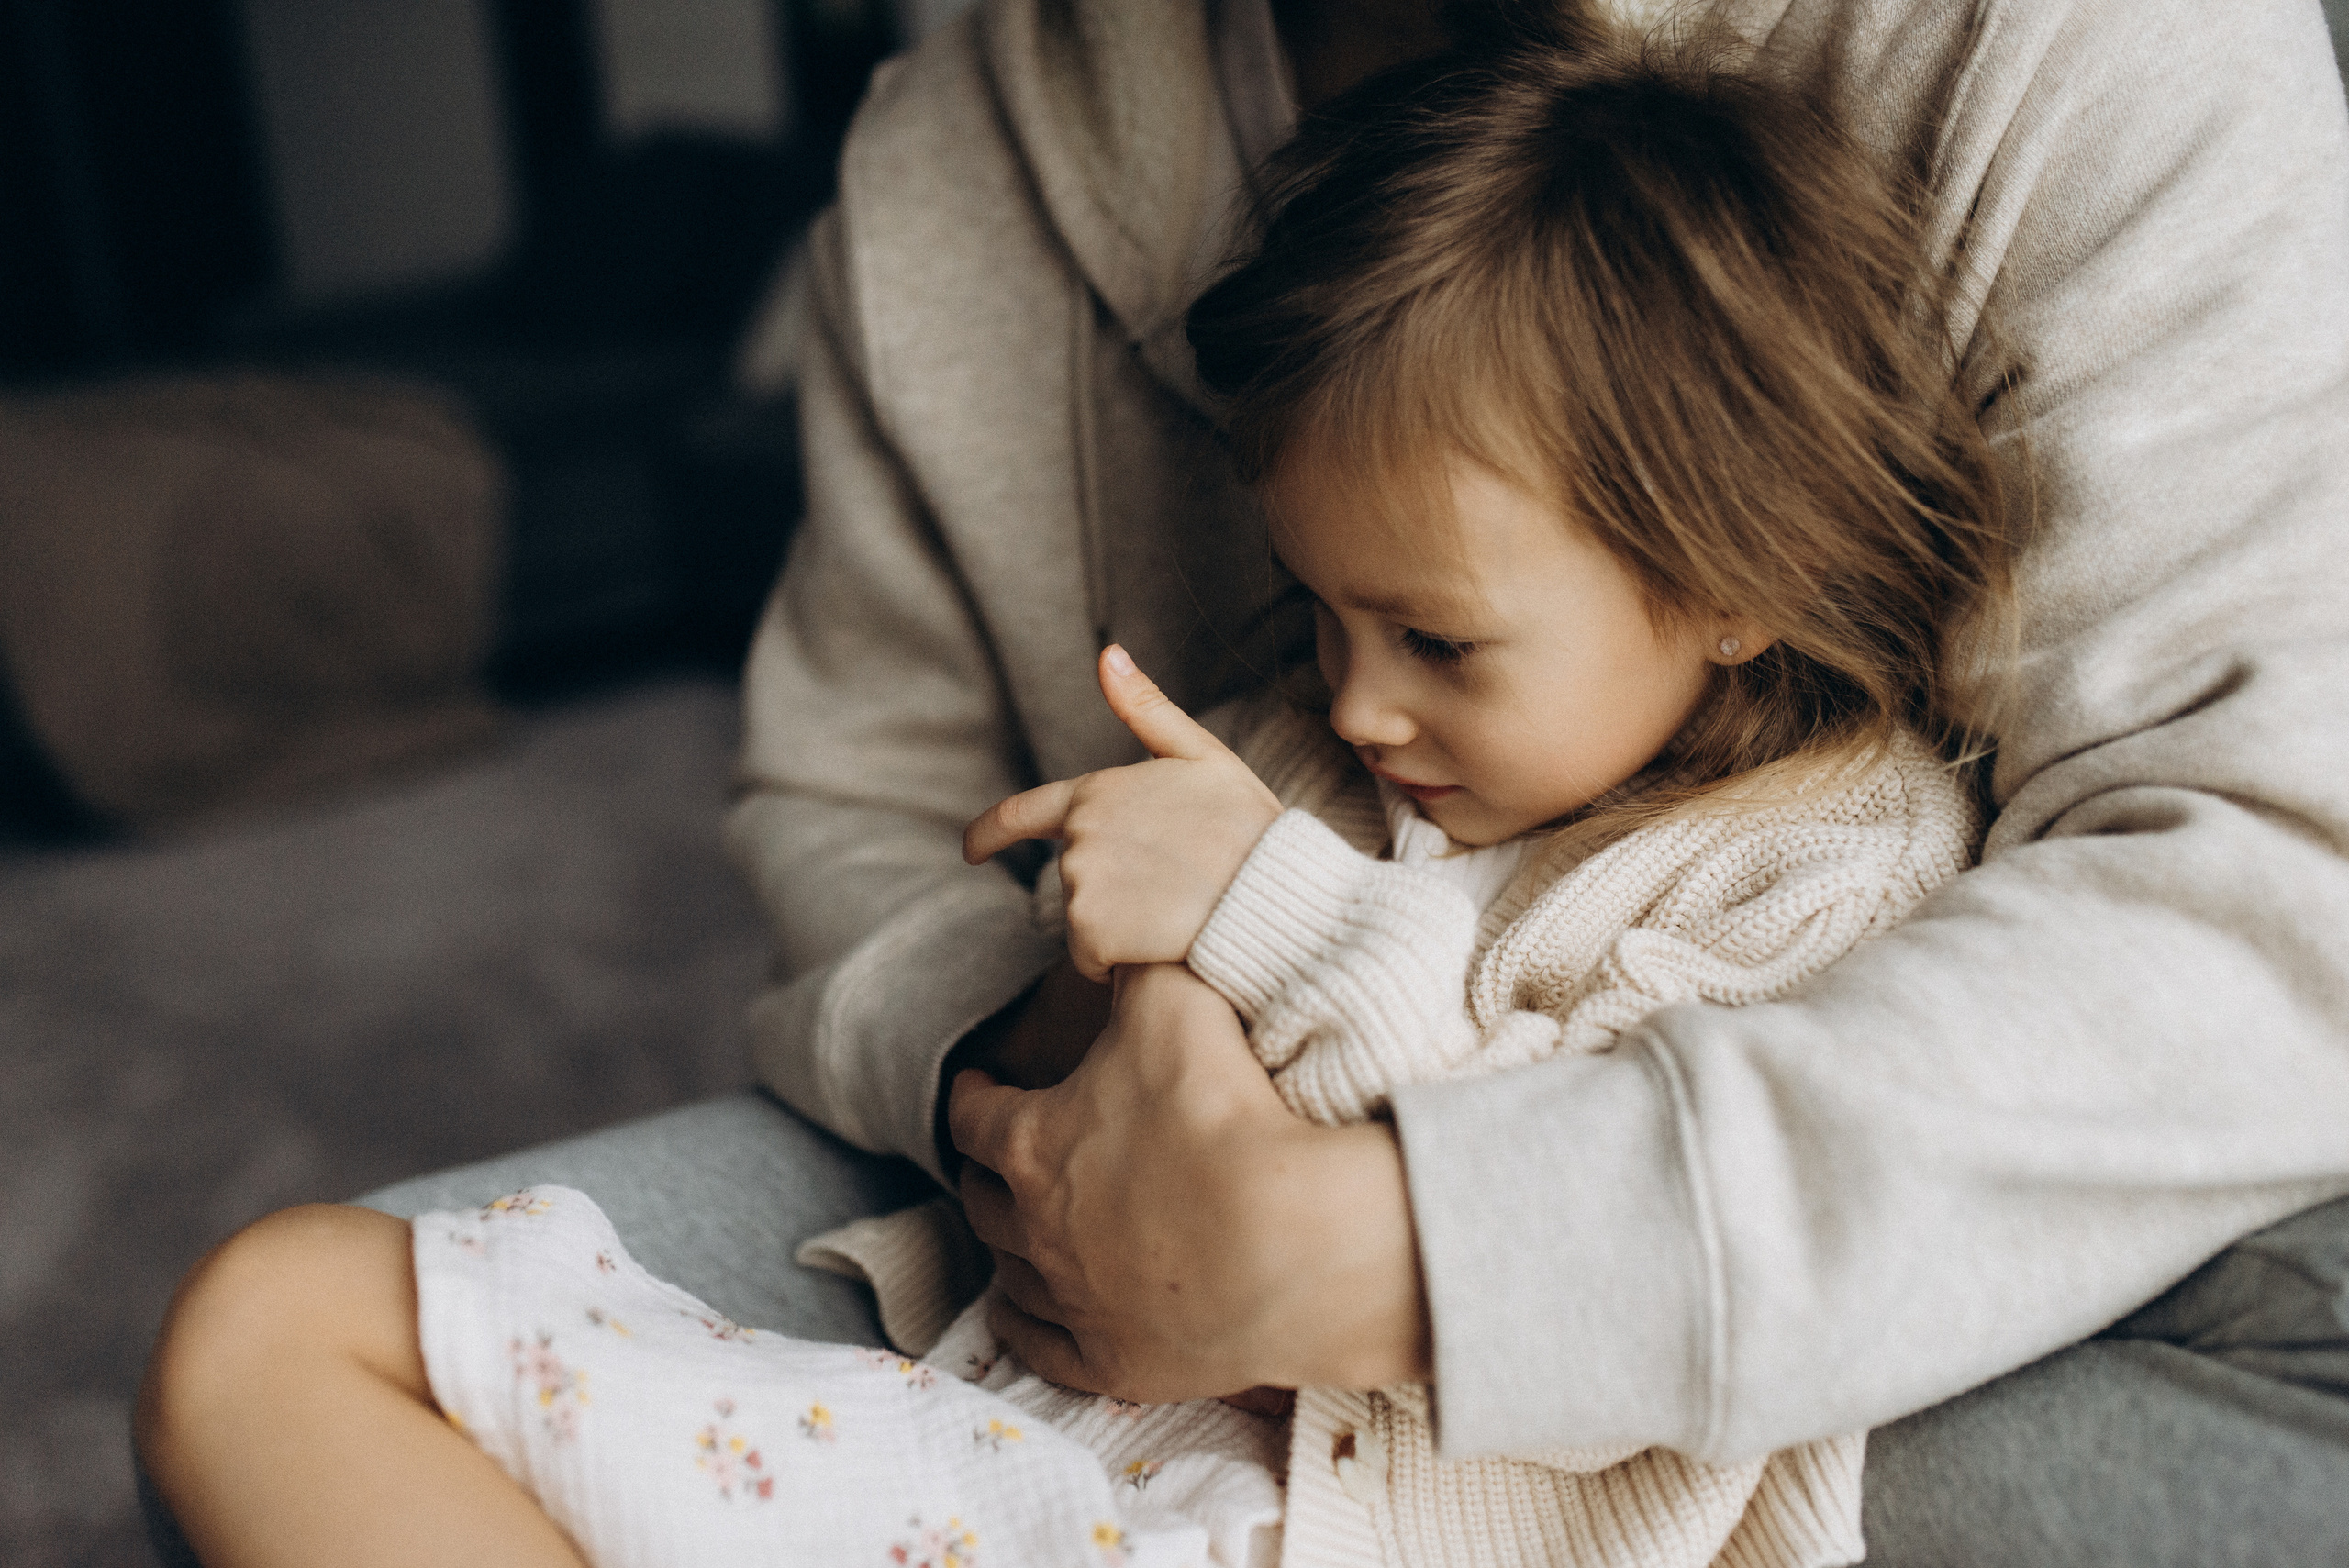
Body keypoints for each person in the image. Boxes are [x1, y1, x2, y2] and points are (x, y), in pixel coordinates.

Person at [138, 0, 2349, 1562]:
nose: (1354, 705)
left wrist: (1359, 1210)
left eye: (1441, 642)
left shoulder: (1834, 836)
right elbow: (858, 811)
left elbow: (2265, 882)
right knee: (280, 1346)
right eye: (1318, 624)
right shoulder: (975, 163)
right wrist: (1085, 1043)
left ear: (1729, 582)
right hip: (1075, 1319)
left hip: (1647, 1372)